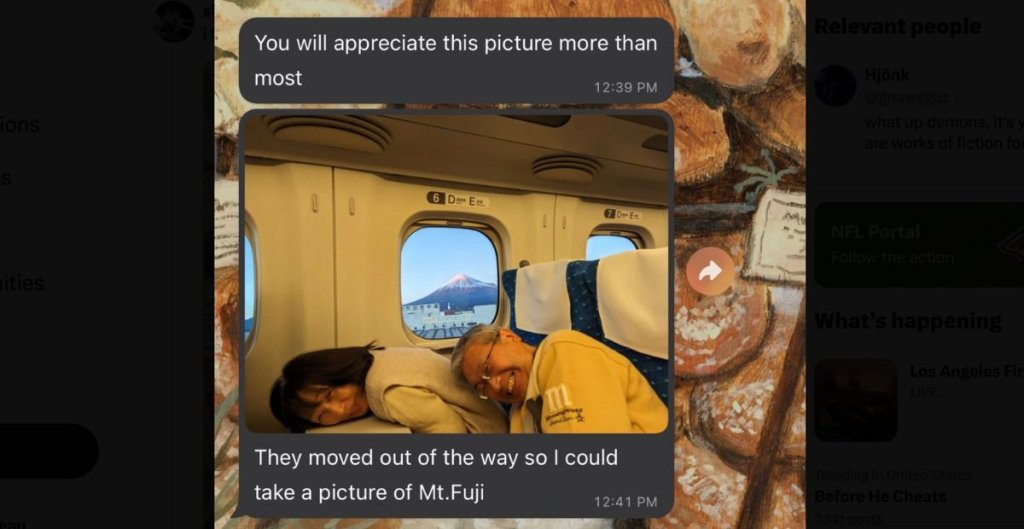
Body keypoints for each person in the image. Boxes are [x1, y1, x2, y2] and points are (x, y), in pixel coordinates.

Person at [451, 324, 668, 433]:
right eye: (482, 386)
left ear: (509, 336)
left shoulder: (563, 352)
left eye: (487, 368)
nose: (494, 384)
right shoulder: (519, 413)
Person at [270, 342, 507, 434]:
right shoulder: (376, 359)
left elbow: (451, 435)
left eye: (330, 394)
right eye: (322, 415)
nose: (339, 410)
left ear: (335, 372)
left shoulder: (385, 392)